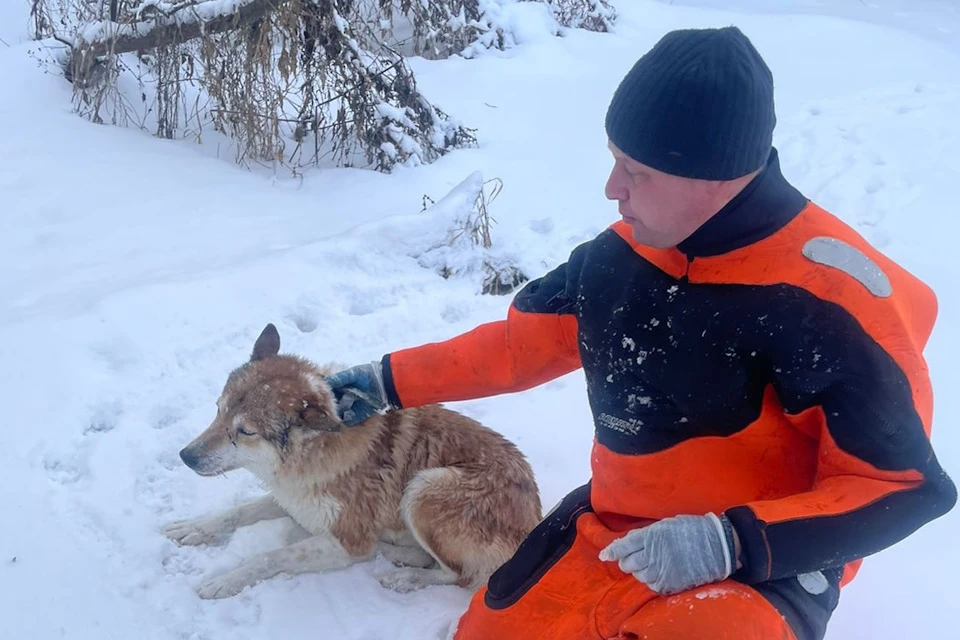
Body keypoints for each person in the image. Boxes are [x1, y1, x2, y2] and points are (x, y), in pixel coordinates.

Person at [324, 26, 957, 640]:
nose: (611, 190)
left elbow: (900, 487)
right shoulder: (618, 260)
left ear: (718, 174)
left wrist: (730, 541)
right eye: (613, 161)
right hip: (620, 524)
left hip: (763, 562)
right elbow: (518, 349)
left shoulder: (832, 298)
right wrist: (389, 380)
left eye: (638, 171)